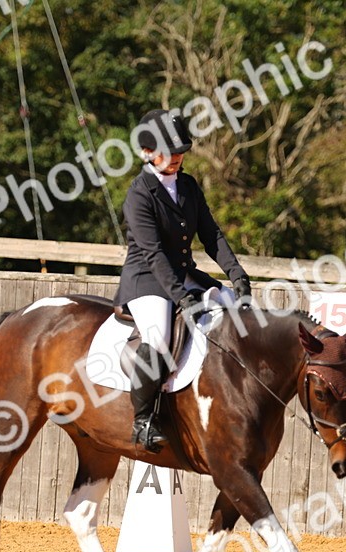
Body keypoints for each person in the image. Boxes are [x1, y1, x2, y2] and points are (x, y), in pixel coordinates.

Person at [112, 109, 252, 453]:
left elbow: (212, 234)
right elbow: (153, 253)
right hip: (147, 280)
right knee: (158, 336)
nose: (176, 158)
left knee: (236, 312)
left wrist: (237, 275)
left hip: (186, 275)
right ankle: (143, 420)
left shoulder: (187, 186)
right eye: (169, 152)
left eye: (180, 152)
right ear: (147, 153)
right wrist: (181, 295)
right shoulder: (139, 194)